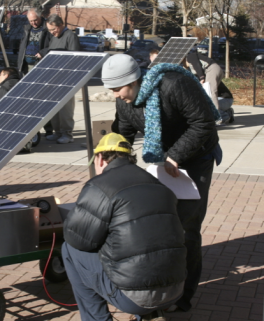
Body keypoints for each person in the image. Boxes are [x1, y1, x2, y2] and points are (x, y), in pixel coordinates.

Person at [101, 54, 222, 313]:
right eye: (110, 91)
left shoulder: (174, 84)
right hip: (163, 161)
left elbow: (204, 123)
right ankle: (162, 285)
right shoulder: (125, 102)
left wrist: (176, 156)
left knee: (186, 227)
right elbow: (124, 134)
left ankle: (182, 296)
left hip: (196, 156)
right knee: (159, 223)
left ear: (133, 81)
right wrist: (115, 166)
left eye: (117, 89)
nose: (116, 95)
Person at [62, 133, 187, 321]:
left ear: (100, 158)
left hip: (133, 297)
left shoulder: (100, 185)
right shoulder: (159, 185)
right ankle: (150, 314)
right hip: (176, 290)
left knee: (69, 249)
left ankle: (97, 319)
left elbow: (78, 239)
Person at [38, 14, 80, 144]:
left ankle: (67, 134)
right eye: (49, 30)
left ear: (61, 25)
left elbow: (75, 57)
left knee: (65, 109)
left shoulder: (70, 36)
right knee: (54, 107)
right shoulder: (54, 37)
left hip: (66, 79)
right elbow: (52, 51)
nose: (52, 32)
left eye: (53, 29)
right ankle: (57, 132)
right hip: (53, 77)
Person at [17, 8, 53, 135]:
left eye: (35, 20)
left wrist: (43, 52)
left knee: (42, 99)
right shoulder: (27, 29)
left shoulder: (47, 28)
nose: (34, 23)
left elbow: (53, 45)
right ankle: (31, 128)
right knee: (28, 100)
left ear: (40, 17)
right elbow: (22, 47)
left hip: (40, 67)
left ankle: (49, 128)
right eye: (31, 21)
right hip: (27, 67)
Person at [184, 52, 224, 119]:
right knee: (207, 94)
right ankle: (222, 114)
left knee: (210, 92)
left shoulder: (190, 56)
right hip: (211, 70)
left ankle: (216, 118)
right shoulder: (188, 66)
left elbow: (197, 65)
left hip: (211, 68)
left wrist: (201, 77)